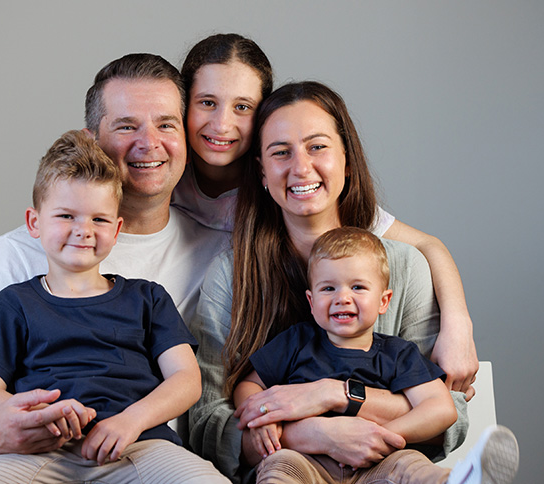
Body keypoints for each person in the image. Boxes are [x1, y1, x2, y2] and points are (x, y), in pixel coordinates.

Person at [0, 53, 230, 466]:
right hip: (43, 456)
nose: (150, 142)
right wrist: (3, 429)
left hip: (149, 458)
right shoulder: (19, 254)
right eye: (126, 125)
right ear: (91, 138)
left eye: (166, 124)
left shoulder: (221, 254)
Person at [188, 81, 469, 482]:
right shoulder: (232, 275)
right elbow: (208, 419)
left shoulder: (405, 267)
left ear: (347, 161)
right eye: (280, 152)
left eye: (317, 147)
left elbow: (448, 411)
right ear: (263, 172)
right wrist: (309, 433)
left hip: (384, 464)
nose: (301, 167)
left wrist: (332, 395)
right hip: (291, 466)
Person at [174, 33, 478, 394]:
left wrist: (458, 324)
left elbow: (425, 245)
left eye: (242, 107)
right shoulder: (162, 183)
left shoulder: (307, 199)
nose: (222, 124)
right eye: (207, 102)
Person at [235, 226, 462, 483]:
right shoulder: (296, 342)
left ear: (383, 301)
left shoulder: (397, 354)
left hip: (377, 464)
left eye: (357, 287)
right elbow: (250, 384)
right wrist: (262, 417)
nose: (342, 298)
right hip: (307, 460)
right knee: (279, 465)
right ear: (311, 301)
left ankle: (459, 479)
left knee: (411, 465)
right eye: (328, 289)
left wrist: (379, 435)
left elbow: (442, 409)